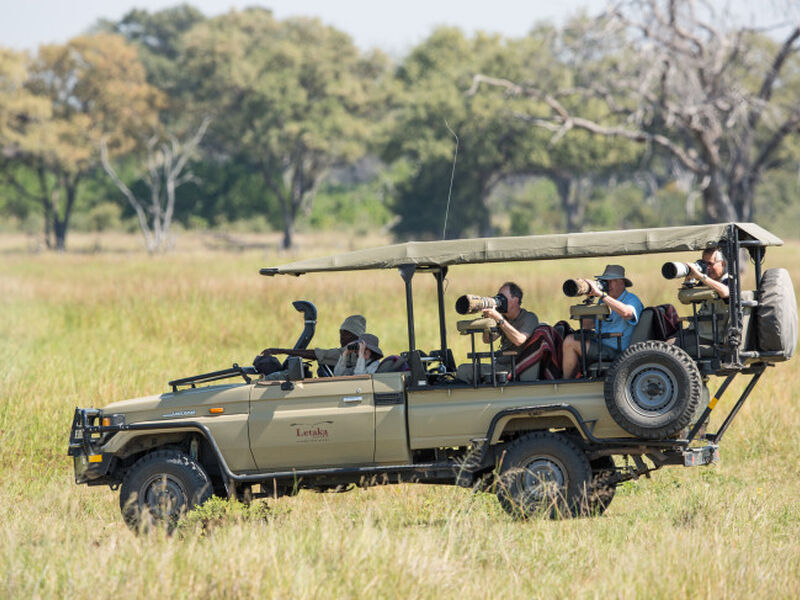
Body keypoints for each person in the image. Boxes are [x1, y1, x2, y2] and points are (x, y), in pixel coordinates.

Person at [561, 265, 644, 379]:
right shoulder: (603, 300)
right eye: (606, 281)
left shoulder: (631, 299)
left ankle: (564, 384)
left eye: (613, 281)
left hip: (618, 350)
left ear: (622, 283)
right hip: (601, 345)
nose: (608, 285)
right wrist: (590, 299)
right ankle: (573, 380)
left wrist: (602, 295)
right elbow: (588, 326)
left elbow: (627, 313)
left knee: (570, 342)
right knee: (569, 336)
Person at [456, 282, 539, 382]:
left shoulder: (529, 318)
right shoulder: (503, 317)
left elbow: (519, 340)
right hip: (499, 364)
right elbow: (487, 340)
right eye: (498, 297)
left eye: (502, 298)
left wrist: (499, 318)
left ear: (515, 300)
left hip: (513, 367)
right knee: (463, 369)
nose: (499, 301)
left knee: (464, 370)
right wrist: (489, 319)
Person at [260, 314, 366, 379]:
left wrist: (281, 351)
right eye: (341, 334)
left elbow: (317, 354)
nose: (342, 338)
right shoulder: (347, 351)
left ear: (356, 336)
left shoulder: (355, 351)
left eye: (346, 334)